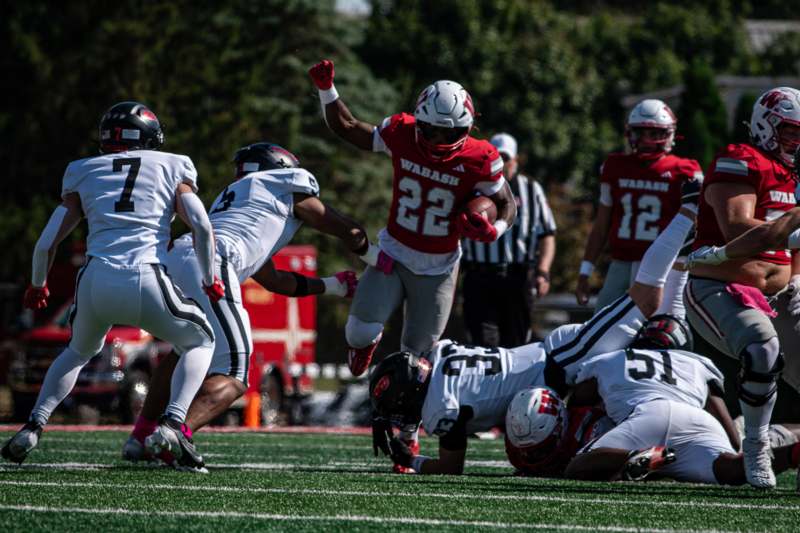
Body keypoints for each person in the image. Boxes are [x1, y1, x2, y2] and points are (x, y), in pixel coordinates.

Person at [367, 179, 702, 475]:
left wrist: (411, 460)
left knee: (646, 297)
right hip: (555, 371)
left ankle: (688, 210)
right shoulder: (440, 355)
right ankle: (683, 253)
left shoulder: (442, 406)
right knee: (656, 328)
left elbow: (450, 467)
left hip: (565, 360)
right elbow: (418, 381)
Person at [2, 101, 221, 471]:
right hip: (147, 275)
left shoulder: (82, 170)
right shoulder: (173, 164)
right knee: (200, 340)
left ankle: (33, 426)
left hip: (95, 280)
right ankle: (172, 425)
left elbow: (46, 243)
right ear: (151, 136)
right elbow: (201, 226)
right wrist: (208, 276)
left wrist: (38, 285)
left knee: (77, 351)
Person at [122, 142, 365, 466]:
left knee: (186, 347)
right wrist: (366, 245)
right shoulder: (284, 186)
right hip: (213, 259)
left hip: (178, 257)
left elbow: (274, 280)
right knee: (236, 371)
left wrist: (333, 286)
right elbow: (335, 223)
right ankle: (174, 432)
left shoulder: (240, 204)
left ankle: (141, 435)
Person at [308, 59, 517, 379]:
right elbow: (349, 128)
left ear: (468, 128)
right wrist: (327, 90)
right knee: (359, 332)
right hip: (393, 253)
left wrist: (494, 230)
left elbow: (507, 204)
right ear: (419, 120)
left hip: (440, 266)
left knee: (417, 361)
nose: (436, 141)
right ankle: (365, 346)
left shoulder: (481, 157)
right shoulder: (401, 132)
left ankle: (406, 428)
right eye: (430, 130)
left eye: (447, 133)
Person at [684, 87, 800, 489]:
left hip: (782, 291)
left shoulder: (794, 173)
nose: (795, 141)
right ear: (767, 125)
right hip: (722, 285)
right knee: (762, 348)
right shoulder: (741, 159)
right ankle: (755, 446)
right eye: (789, 131)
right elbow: (737, 228)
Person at [562, 317, 800, 485]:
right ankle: (793, 454)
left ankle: (637, 455)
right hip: (695, 419)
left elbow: (577, 402)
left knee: (578, 467)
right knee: (731, 470)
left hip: (645, 414)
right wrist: (728, 448)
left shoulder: (612, 358)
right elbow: (730, 433)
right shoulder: (696, 363)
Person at [576, 99, 703, 318]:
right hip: (621, 263)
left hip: (664, 266)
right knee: (599, 324)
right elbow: (601, 225)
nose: (646, 140)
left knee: (664, 328)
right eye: (640, 133)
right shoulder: (614, 166)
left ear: (670, 134)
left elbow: (697, 226)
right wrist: (585, 271)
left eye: (654, 134)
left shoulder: (685, 171)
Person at [461, 133, 556, 347]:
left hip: (518, 277)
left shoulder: (531, 189)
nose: (502, 164)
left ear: (516, 160)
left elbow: (547, 234)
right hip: (479, 276)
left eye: (506, 158)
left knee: (517, 346)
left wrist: (543, 272)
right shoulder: (473, 186)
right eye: (498, 157)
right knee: (481, 345)